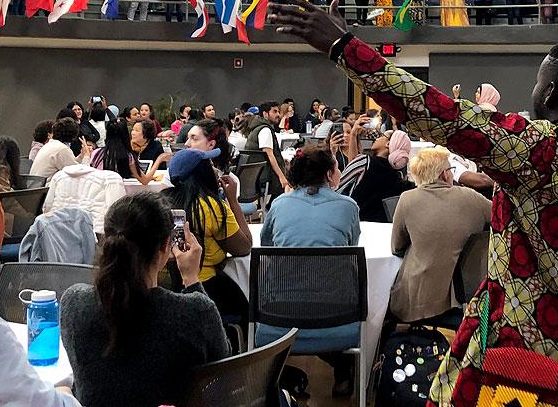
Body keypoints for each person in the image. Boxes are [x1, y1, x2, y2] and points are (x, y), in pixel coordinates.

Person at [269, 0, 558, 403]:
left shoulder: (541, 151)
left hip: (514, 373)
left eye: (540, 81)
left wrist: (344, 47)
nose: (535, 90)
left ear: (551, 90)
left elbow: (441, 115)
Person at [60, 192, 228, 407]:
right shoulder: (194, 312)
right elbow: (222, 368)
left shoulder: (74, 303)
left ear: (105, 241)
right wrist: (191, 279)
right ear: (166, 246)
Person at [258, 148, 358, 395]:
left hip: (278, 313)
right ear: (328, 173)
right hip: (337, 314)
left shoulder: (279, 205)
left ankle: (276, 376)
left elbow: (267, 246)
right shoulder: (348, 206)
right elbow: (351, 247)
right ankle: (344, 369)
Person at [389, 146, 491, 324]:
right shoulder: (471, 198)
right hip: (467, 298)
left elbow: (396, 246)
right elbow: (501, 216)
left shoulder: (407, 199)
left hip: (416, 300)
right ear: (445, 174)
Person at [163, 149, 251, 328]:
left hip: (166, 288)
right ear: (202, 173)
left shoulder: (162, 202)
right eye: (210, 165)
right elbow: (244, 247)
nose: (214, 168)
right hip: (206, 286)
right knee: (246, 308)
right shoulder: (211, 207)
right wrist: (232, 200)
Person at [337, 129, 414, 222]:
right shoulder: (397, 175)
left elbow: (339, 187)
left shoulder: (365, 162)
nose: (376, 139)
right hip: (381, 229)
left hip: (355, 224)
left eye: (382, 136)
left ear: (388, 144)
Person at [90, 120, 163, 185]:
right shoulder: (127, 156)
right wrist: (159, 159)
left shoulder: (96, 153)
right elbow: (144, 181)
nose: (133, 133)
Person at [244, 101, 289, 201]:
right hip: (264, 177)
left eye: (278, 111)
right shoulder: (265, 130)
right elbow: (269, 155)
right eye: (274, 111)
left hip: (257, 176)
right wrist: (282, 177)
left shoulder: (257, 128)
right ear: (265, 114)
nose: (278, 114)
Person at [30, 118, 91, 182]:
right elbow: (80, 174)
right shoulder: (62, 149)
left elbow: (70, 163)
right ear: (73, 136)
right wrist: (86, 155)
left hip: (38, 187)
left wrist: (82, 155)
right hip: (45, 189)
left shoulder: (51, 145)